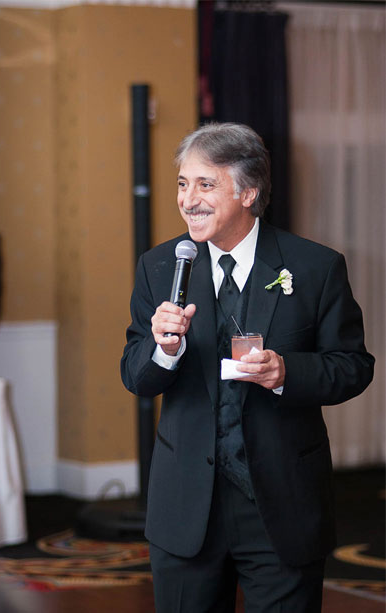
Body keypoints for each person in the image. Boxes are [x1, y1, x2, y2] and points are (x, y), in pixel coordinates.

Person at [120, 122, 375, 612]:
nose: (188, 200)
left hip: (281, 506)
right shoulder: (159, 266)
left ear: (249, 191)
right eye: (182, 184)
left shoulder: (315, 267)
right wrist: (163, 349)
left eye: (205, 184)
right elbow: (136, 376)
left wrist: (286, 373)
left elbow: (353, 367)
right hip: (185, 507)